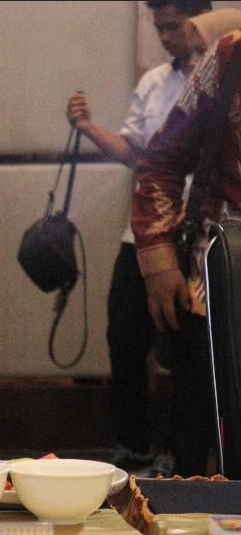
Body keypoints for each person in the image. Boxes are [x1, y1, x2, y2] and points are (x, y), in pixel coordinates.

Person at [65, 0, 211, 476]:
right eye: (159, 27)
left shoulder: (223, 78)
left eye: (174, 26)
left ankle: (183, 456)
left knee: (189, 352)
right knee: (125, 337)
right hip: (145, 232)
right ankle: (133, 446)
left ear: (199, 22)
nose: (166, 36)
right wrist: (88, 128)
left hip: (201, 235)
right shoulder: (154, 83)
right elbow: (135, 152)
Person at [130, 26, 241, 477]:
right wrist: (158, 261)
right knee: (201, 444)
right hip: (221, 284)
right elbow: (161, 162)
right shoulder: (232, 55)